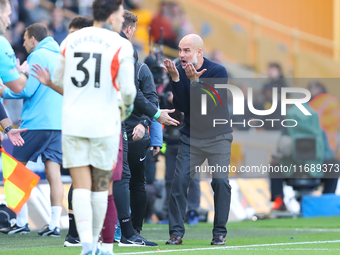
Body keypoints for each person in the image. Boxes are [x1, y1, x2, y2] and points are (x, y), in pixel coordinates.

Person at [48, 1, 136, 254]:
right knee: (100, 188)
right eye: (120, 14)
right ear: (111, 16)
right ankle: (102, 248)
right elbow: (128, 91)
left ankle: (87, 244)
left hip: (74, 122)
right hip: (105, 124)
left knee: (80, 186)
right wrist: (125, 110)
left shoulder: (69, 41)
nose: (121, 19)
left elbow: (56, 78)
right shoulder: (121, 44)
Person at [163, 34, 233, 246]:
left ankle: (219, 233)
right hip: (191, 137)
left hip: (218, 137)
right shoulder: (179, 69)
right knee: (179, 182)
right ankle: (176, 233)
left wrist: (195, 82)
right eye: (180, 50)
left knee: (220, 182)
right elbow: (184, 107)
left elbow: (208, 107)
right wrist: (176, 79)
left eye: (186, 50)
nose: (181, 55)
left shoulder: (217, 71)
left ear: (199, 52)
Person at [0, 23, 63, 236]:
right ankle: (55, 224)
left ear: (33, 39)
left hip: (36, 123)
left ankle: (20, 221)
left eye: (26, 39)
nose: (24, 43)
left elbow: (26, 90)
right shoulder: (60, 55)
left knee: (15, 168)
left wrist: (3, 92)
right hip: (58, 124)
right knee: (53, 172)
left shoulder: (38, 55)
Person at [0, 0, 29, 94]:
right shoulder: (2, 44)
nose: (9, 22)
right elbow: (17, 86)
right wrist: (24, 72)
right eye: (8, 15)